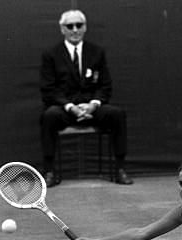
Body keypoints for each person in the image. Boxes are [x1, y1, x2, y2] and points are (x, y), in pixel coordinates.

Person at [39, 9, 133, 187]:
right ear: (62, 29)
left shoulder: (96, 52)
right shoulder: (51, 54)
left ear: (85, 27)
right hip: (65, 109)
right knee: (49, 116)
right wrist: (70, 107)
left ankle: (120, 169)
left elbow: (105, 86)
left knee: (117, 114)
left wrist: (93, 104)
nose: (75, 30)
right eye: (70, 26)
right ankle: (49, 172)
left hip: (92, 108)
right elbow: (49, 89)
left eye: (79, 25)